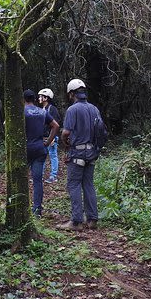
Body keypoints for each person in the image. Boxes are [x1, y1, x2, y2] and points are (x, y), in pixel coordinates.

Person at [56, 79, 103, 231]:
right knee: (88, 184)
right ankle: (92, 219)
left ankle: (76, 221)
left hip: (77, 152)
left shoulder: (72, 110)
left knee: (74, 184)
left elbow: (66, 132)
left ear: (72, 93)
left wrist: (65, 143)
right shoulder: (94, 109)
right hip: (92, 152)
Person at [24, 89, 59, 217]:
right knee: (37, 180)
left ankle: (21, 207)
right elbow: (55, 126)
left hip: (25, 148)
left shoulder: (21, 112)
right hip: (40, 148)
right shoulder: (42, 112)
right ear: (34, 99)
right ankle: (37, 210)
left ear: (23, 99)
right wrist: (48, 141)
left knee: (22, 178)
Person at [38, 88, 61, 183]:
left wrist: (52, 137)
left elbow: (56, 124)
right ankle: (40, 175)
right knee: (41, 156)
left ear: (46, 98)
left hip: (51, 137)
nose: (39, 98)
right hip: (42, 136)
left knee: (53, 155)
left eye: (41, 96)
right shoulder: (41, 109)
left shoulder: (52, 109)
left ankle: (53, 176)